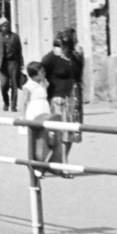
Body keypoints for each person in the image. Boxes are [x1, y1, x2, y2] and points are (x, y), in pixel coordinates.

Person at [41, 30, 84, 164]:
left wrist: (80, 56)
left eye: (67, 46)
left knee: (71, 132)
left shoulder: (76, 58)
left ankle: (59, 161)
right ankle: (60, 162)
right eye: (62, 45)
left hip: (75, 98)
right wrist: (43, 92)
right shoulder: (52, 58)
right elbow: (40, 72)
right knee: (60, 133)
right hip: (58, 98)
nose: (64, 49)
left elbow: (79, 76)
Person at [20, 60, 53, 171]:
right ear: (34, 75)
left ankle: (43, 163)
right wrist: (23, 117)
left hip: (44, 109)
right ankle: (33, 164)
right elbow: (24, 102)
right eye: (41, 72)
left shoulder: (44, 83)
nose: (44, 73)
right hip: (34, 111)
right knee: (34, 139)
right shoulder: (29, 86)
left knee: (44, 138)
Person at [0, 16, 25, 113]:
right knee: (4, 84)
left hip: (14, 62)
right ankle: (6, 102)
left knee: (14, 84)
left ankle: (13, 105)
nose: (5, 27)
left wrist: (21, 63)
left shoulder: (15, 36)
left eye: (7, 25)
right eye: (3, 26)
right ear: (0, 27)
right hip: (3, 64)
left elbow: (19, 50)